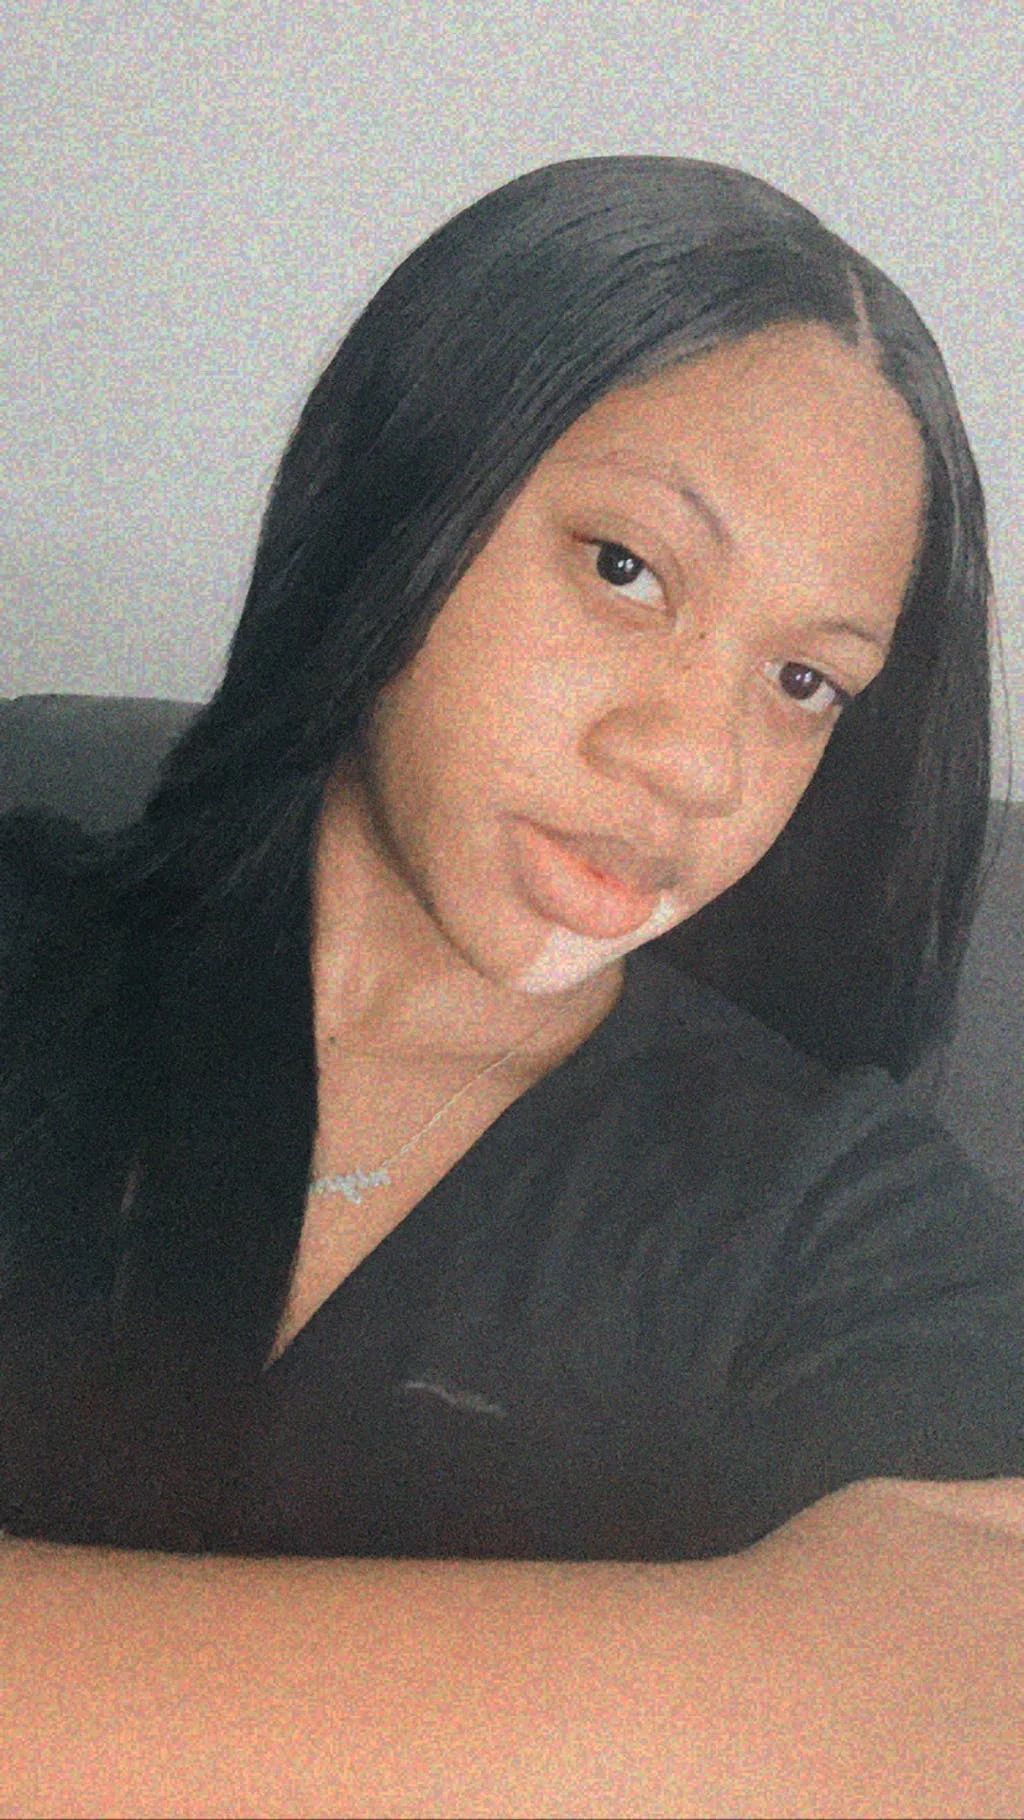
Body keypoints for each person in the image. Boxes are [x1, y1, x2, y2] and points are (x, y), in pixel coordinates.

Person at [0, 154, 1021, 1814]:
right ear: (400, 493)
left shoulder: (828, 1206)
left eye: (803, 681)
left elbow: (975, 1689)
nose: (696, 761)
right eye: (625, 568)